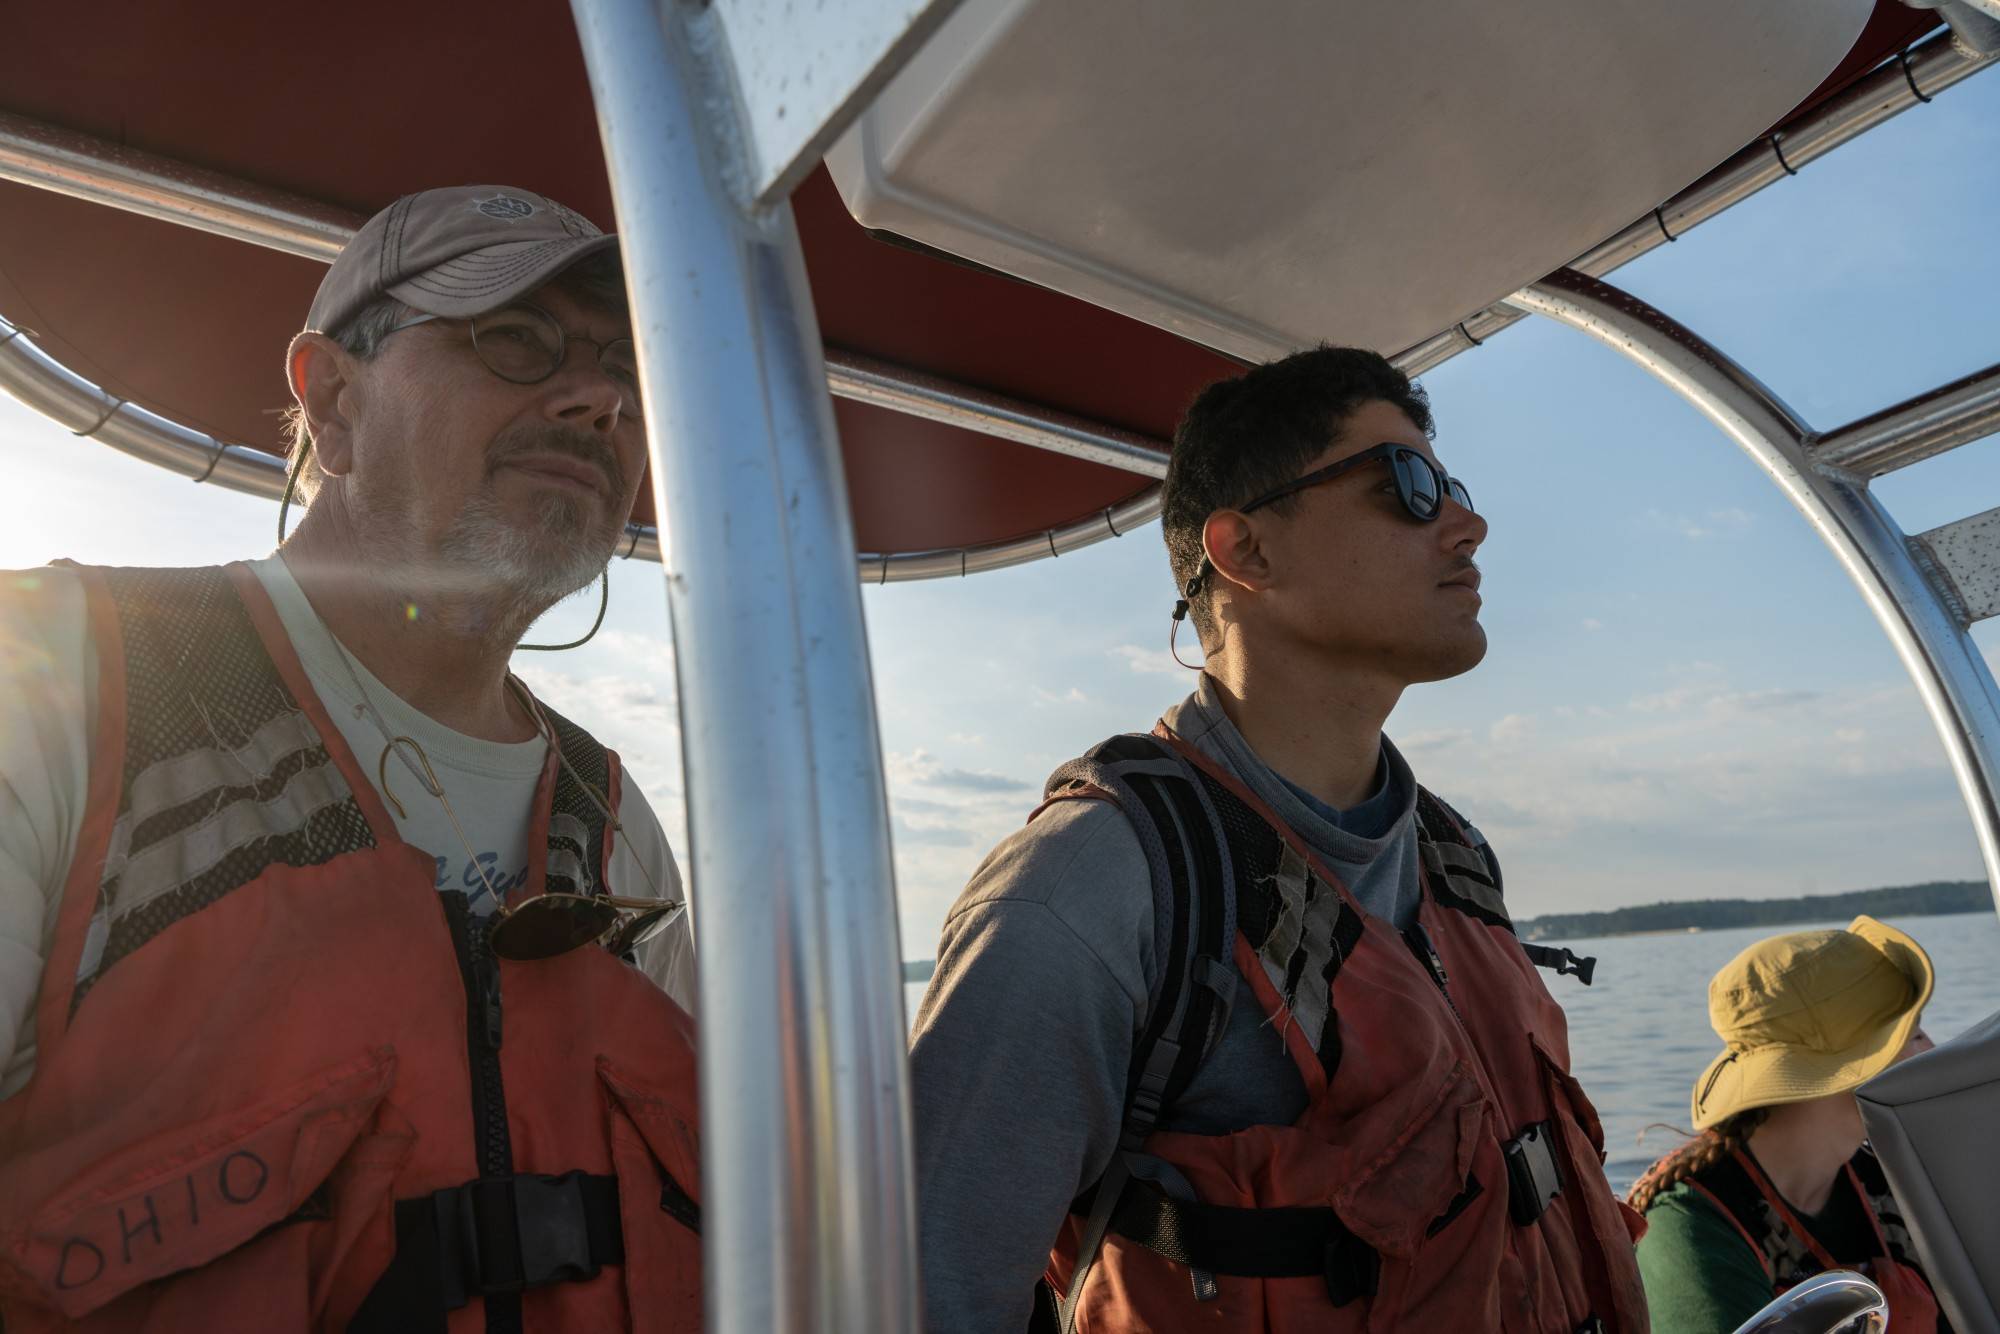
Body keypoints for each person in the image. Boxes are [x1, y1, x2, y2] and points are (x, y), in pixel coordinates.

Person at [0, 187, 703, 1331]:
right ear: (332, 399)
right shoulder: (55, 691)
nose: (599, 401)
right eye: (516, 340)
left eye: (631, 372)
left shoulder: (615, 832)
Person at [910, 346, 1647, 1332]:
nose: (1466, 524)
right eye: (1410, 485)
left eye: (1454, 485)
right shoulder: (1088, 891)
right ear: (1244, 550)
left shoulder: (1447, 855)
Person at [1629, 916, 1942, 1333]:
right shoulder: (1689, 1227)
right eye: (1914, 1035)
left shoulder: (1887, 1177)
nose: (1932, 1050)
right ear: (1844, 1069)